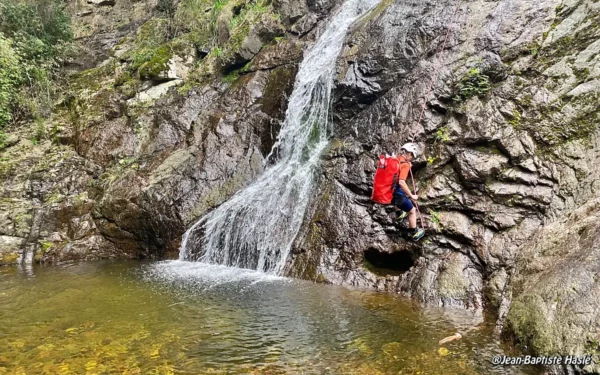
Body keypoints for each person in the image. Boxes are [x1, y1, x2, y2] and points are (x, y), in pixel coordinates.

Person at [392, 143, 425, 241]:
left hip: (388, 191)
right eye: (412, 157)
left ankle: (399, 214)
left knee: (399, 195)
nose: (412, 159)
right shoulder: (405, 164)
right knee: (412, 211)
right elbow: (401, 182)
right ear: (409, 154)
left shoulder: (396, 159)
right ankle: (414, 233)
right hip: (396, 192)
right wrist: (411, 196)